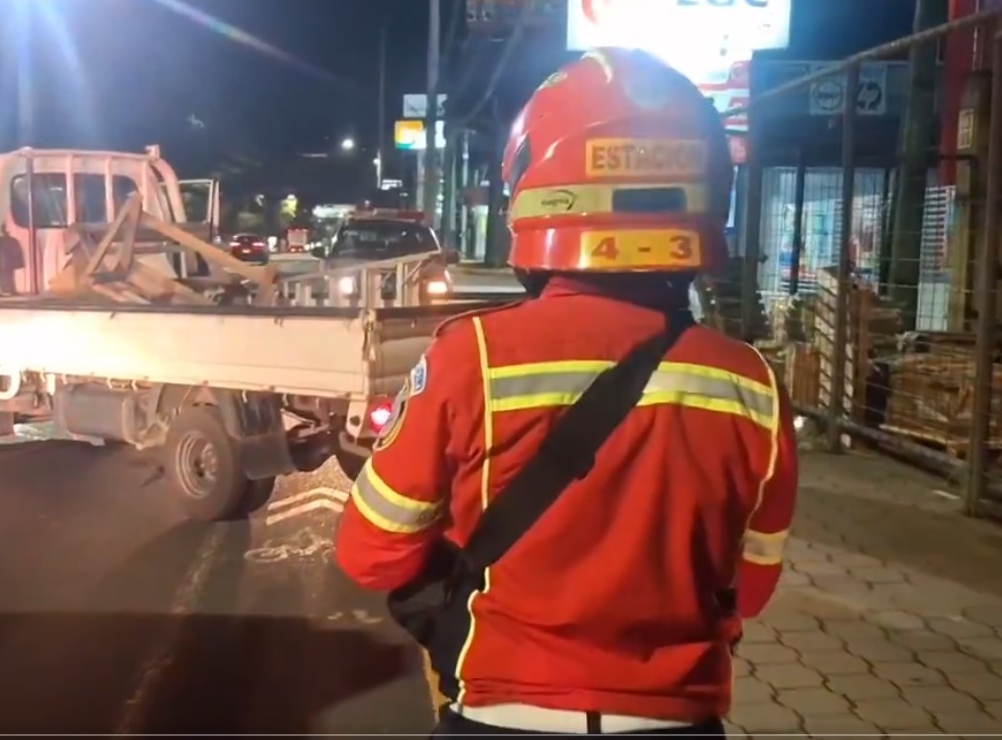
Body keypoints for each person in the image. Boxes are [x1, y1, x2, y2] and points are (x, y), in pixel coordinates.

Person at [334, 47, 798, 737]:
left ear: (536, 194)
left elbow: (370, 552)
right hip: (679, 719)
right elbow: (751, 586)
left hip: (501, 713)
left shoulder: (473, 357)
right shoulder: (752, 385)